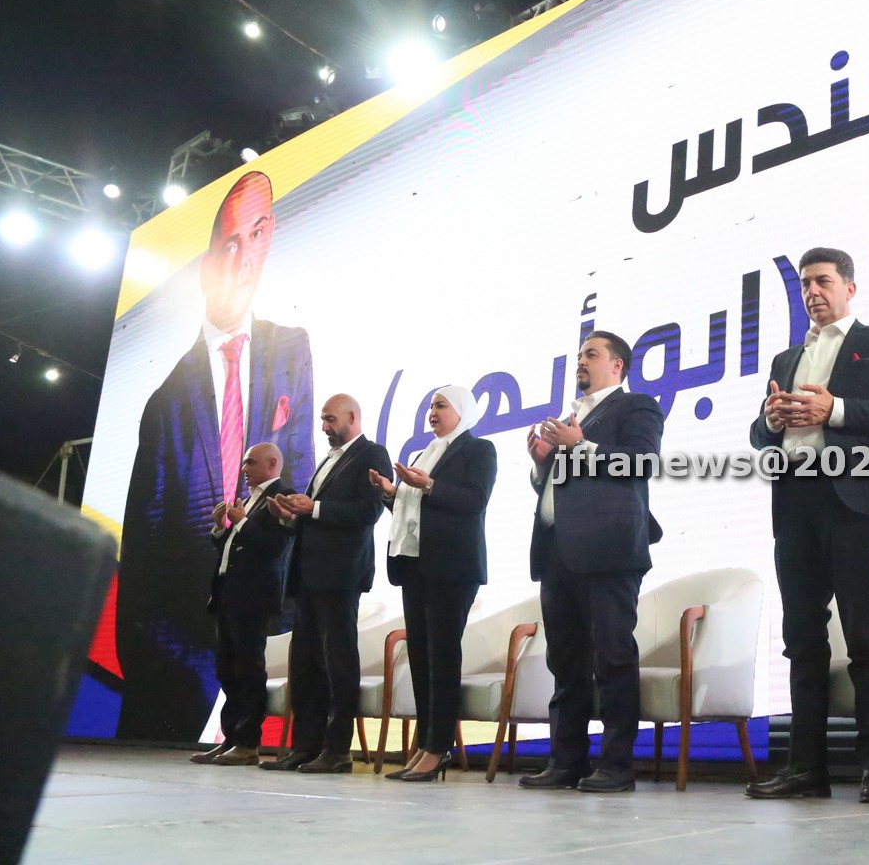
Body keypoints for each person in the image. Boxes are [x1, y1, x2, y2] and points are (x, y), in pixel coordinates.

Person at [117, 171, 315, 742]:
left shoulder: (291, 349)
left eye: (257, 234)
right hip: (195, 638)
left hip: (273, 599)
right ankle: (230, 734)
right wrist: (190, 678)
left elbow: (298, 479)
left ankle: (249, 735)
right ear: (205, 265)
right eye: (229, 243)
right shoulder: (166, 404)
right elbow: (145, 575)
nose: (243, 259)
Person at [744, 247, 869, 805]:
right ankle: (806, 769)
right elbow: (759, 435)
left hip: (855, 500)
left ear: (849, 287)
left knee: (864, 634)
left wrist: (836, 410)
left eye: (822, 281)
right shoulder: (785, 358)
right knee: (801, 640)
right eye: (804, 284)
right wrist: (769, 422)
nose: (812, 292)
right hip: (795, 503)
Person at [518, 331, 664, 793]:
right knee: (565, 665)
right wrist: (543, 463)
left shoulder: (636, 406)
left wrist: (580, 445)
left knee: (613, 659)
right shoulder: (570, 419)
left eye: (591, 354)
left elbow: (641, 462)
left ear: (617, 365)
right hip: (557, 552)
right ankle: (566, 762)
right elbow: (561, 486)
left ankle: (617, 766)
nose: (580, 361)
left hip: (609, 552)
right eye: (580, 354)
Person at [367, 386, 497, 783]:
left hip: (452, 569)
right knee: (421, 658)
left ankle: (439, 747)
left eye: (441, 405)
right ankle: (424, 744)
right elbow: (414, 511)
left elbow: (474, 501)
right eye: (430, 406)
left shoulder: (479, 450)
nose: (432, 412)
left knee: (442, 657)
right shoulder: (426, 452)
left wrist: (429, 485)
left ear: (462, 410)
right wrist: (391, 494)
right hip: (416, 566)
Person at [260, 394, 392, 774]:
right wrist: (289, 514)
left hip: (340, 576)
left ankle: (337, 750)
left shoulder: (372, 454)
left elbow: (369, 510)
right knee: (306, 666)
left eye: (330, 419)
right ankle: (305, 747)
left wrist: (313, 508)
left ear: (352, 416)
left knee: (337, 665)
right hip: (309, 576)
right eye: (322, 419)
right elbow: (313, 516)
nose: (324, 427)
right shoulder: (329, 460)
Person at [189, 443, 292, 766]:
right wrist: (221, 527)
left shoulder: (282, 497)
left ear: (272, 464)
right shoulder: (249, 499)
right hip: (228, 594)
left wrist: (243, 523)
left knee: (249, 669)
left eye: (251, 462)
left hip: (254, 597)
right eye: (244, 462)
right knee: (227, 670)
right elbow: (232, 546)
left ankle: (248, 743)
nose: (244, 469)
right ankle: (231, 738)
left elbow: (275, 548)